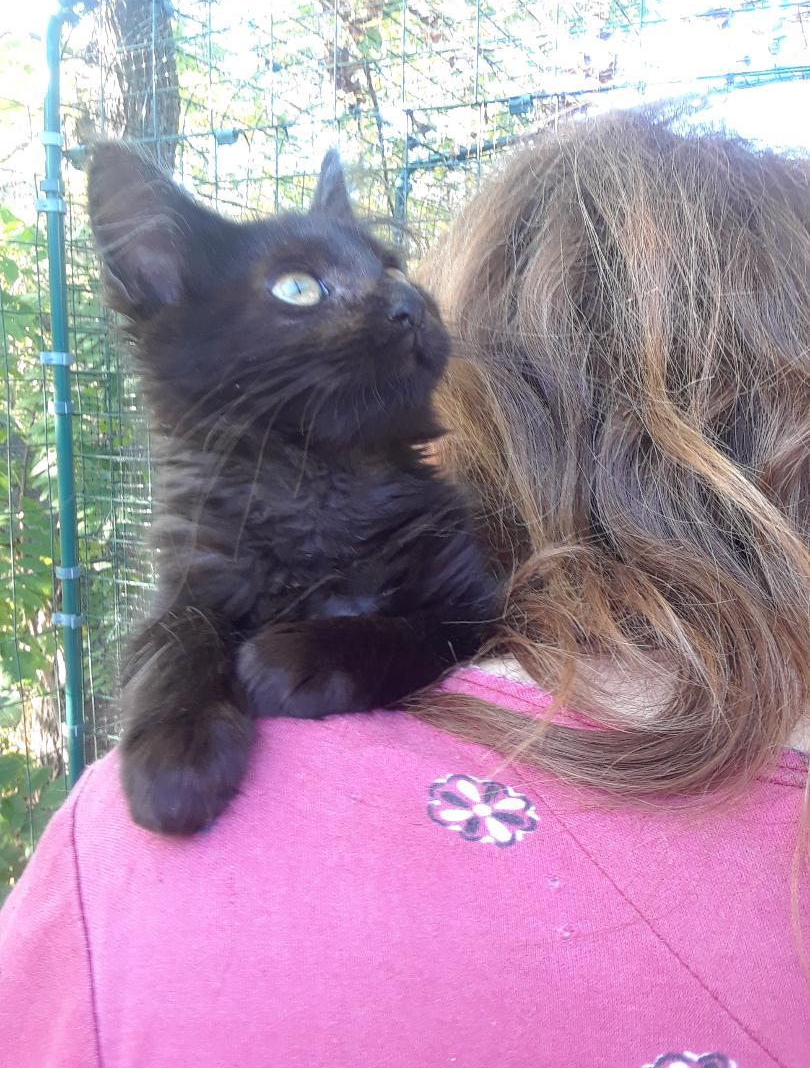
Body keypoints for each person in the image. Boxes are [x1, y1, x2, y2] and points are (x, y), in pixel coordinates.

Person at [1, 108, 808, 1068]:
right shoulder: (213, 552)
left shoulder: (109, 891)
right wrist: (184, 685)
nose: (389, 297)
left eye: (387, 270)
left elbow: (468, 615)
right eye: (303, 285)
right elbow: (197, 609)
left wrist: (377, 652)